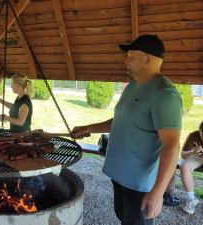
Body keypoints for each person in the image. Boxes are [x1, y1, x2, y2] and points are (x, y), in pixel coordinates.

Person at [72, 34, 182, 225]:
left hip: (139, 185)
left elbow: (172, 146)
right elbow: (122, 120)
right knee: (123, 217)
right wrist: (89, 127)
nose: (126, 59)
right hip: (120, 176)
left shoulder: (164, 94)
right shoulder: (133, 86)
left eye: (131, 55)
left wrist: (157, 193)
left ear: (148, 59)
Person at [179, 120, 203, 214]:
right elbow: (183, 155)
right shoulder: (193, 135)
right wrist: (192, 151)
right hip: (196, 157)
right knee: (184, 166)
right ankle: (191, 199)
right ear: (199, 131)